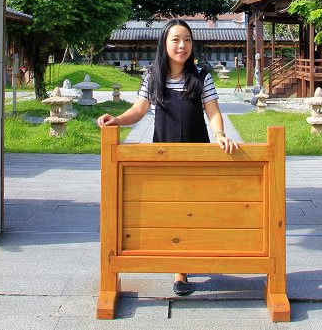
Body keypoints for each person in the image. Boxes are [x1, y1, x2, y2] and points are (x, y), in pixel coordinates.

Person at [97, 18, 240, 296]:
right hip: (162, 155)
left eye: (186, 39)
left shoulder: (201, 76)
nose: (182, 45)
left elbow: (212, 111)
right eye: (175, 39)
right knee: (172, 212)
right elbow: (138, 111)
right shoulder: (152, 77)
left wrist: (220, 134)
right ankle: (180, 268)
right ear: (165, 43)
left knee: (193, 211)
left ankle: (186, 261)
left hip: (196, 155)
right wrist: (116, 120)